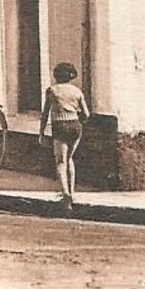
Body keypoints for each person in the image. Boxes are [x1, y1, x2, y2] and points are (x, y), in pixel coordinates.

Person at [41, 61, 91, 211]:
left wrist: (41, 132)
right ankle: (72, 192)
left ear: (56, 75)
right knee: (70, 159)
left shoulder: (52, 91)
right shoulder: (77, 91)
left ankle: (65, 194)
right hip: (76, 126)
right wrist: (77, 121)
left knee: (60, 161)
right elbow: (87, 114)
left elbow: (45, 113)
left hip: (60, 126)